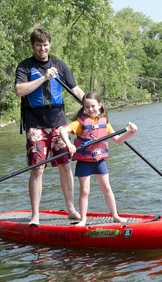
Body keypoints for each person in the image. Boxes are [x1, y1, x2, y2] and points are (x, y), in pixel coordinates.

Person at [15, 28, 84, 225]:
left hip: (59, 124)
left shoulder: (60, 65)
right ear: (33, 46)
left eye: (45, 45)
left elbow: (75, 89)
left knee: (65, 165)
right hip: (36, 125)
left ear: (50, 44)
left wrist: (91, 105)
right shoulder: (25, 67)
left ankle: (71, 209)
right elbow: (19, 90)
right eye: (38, 45)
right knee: (37, 170)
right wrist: (44, 77)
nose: (42, 49)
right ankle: (35, 215)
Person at [60, 92, 137, 226]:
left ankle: (115, 215)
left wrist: (131, 132)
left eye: (93, 106)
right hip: (84, 163)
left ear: (100, 105)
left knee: (107, 188)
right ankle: (83, 220)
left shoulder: (105, 123)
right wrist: (69, 144)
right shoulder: (80, 123)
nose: (90, 109)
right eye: (87, 107)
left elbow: (118, 140)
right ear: (84, 108)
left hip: (100, 162)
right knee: (85, 191)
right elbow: (62, 131)